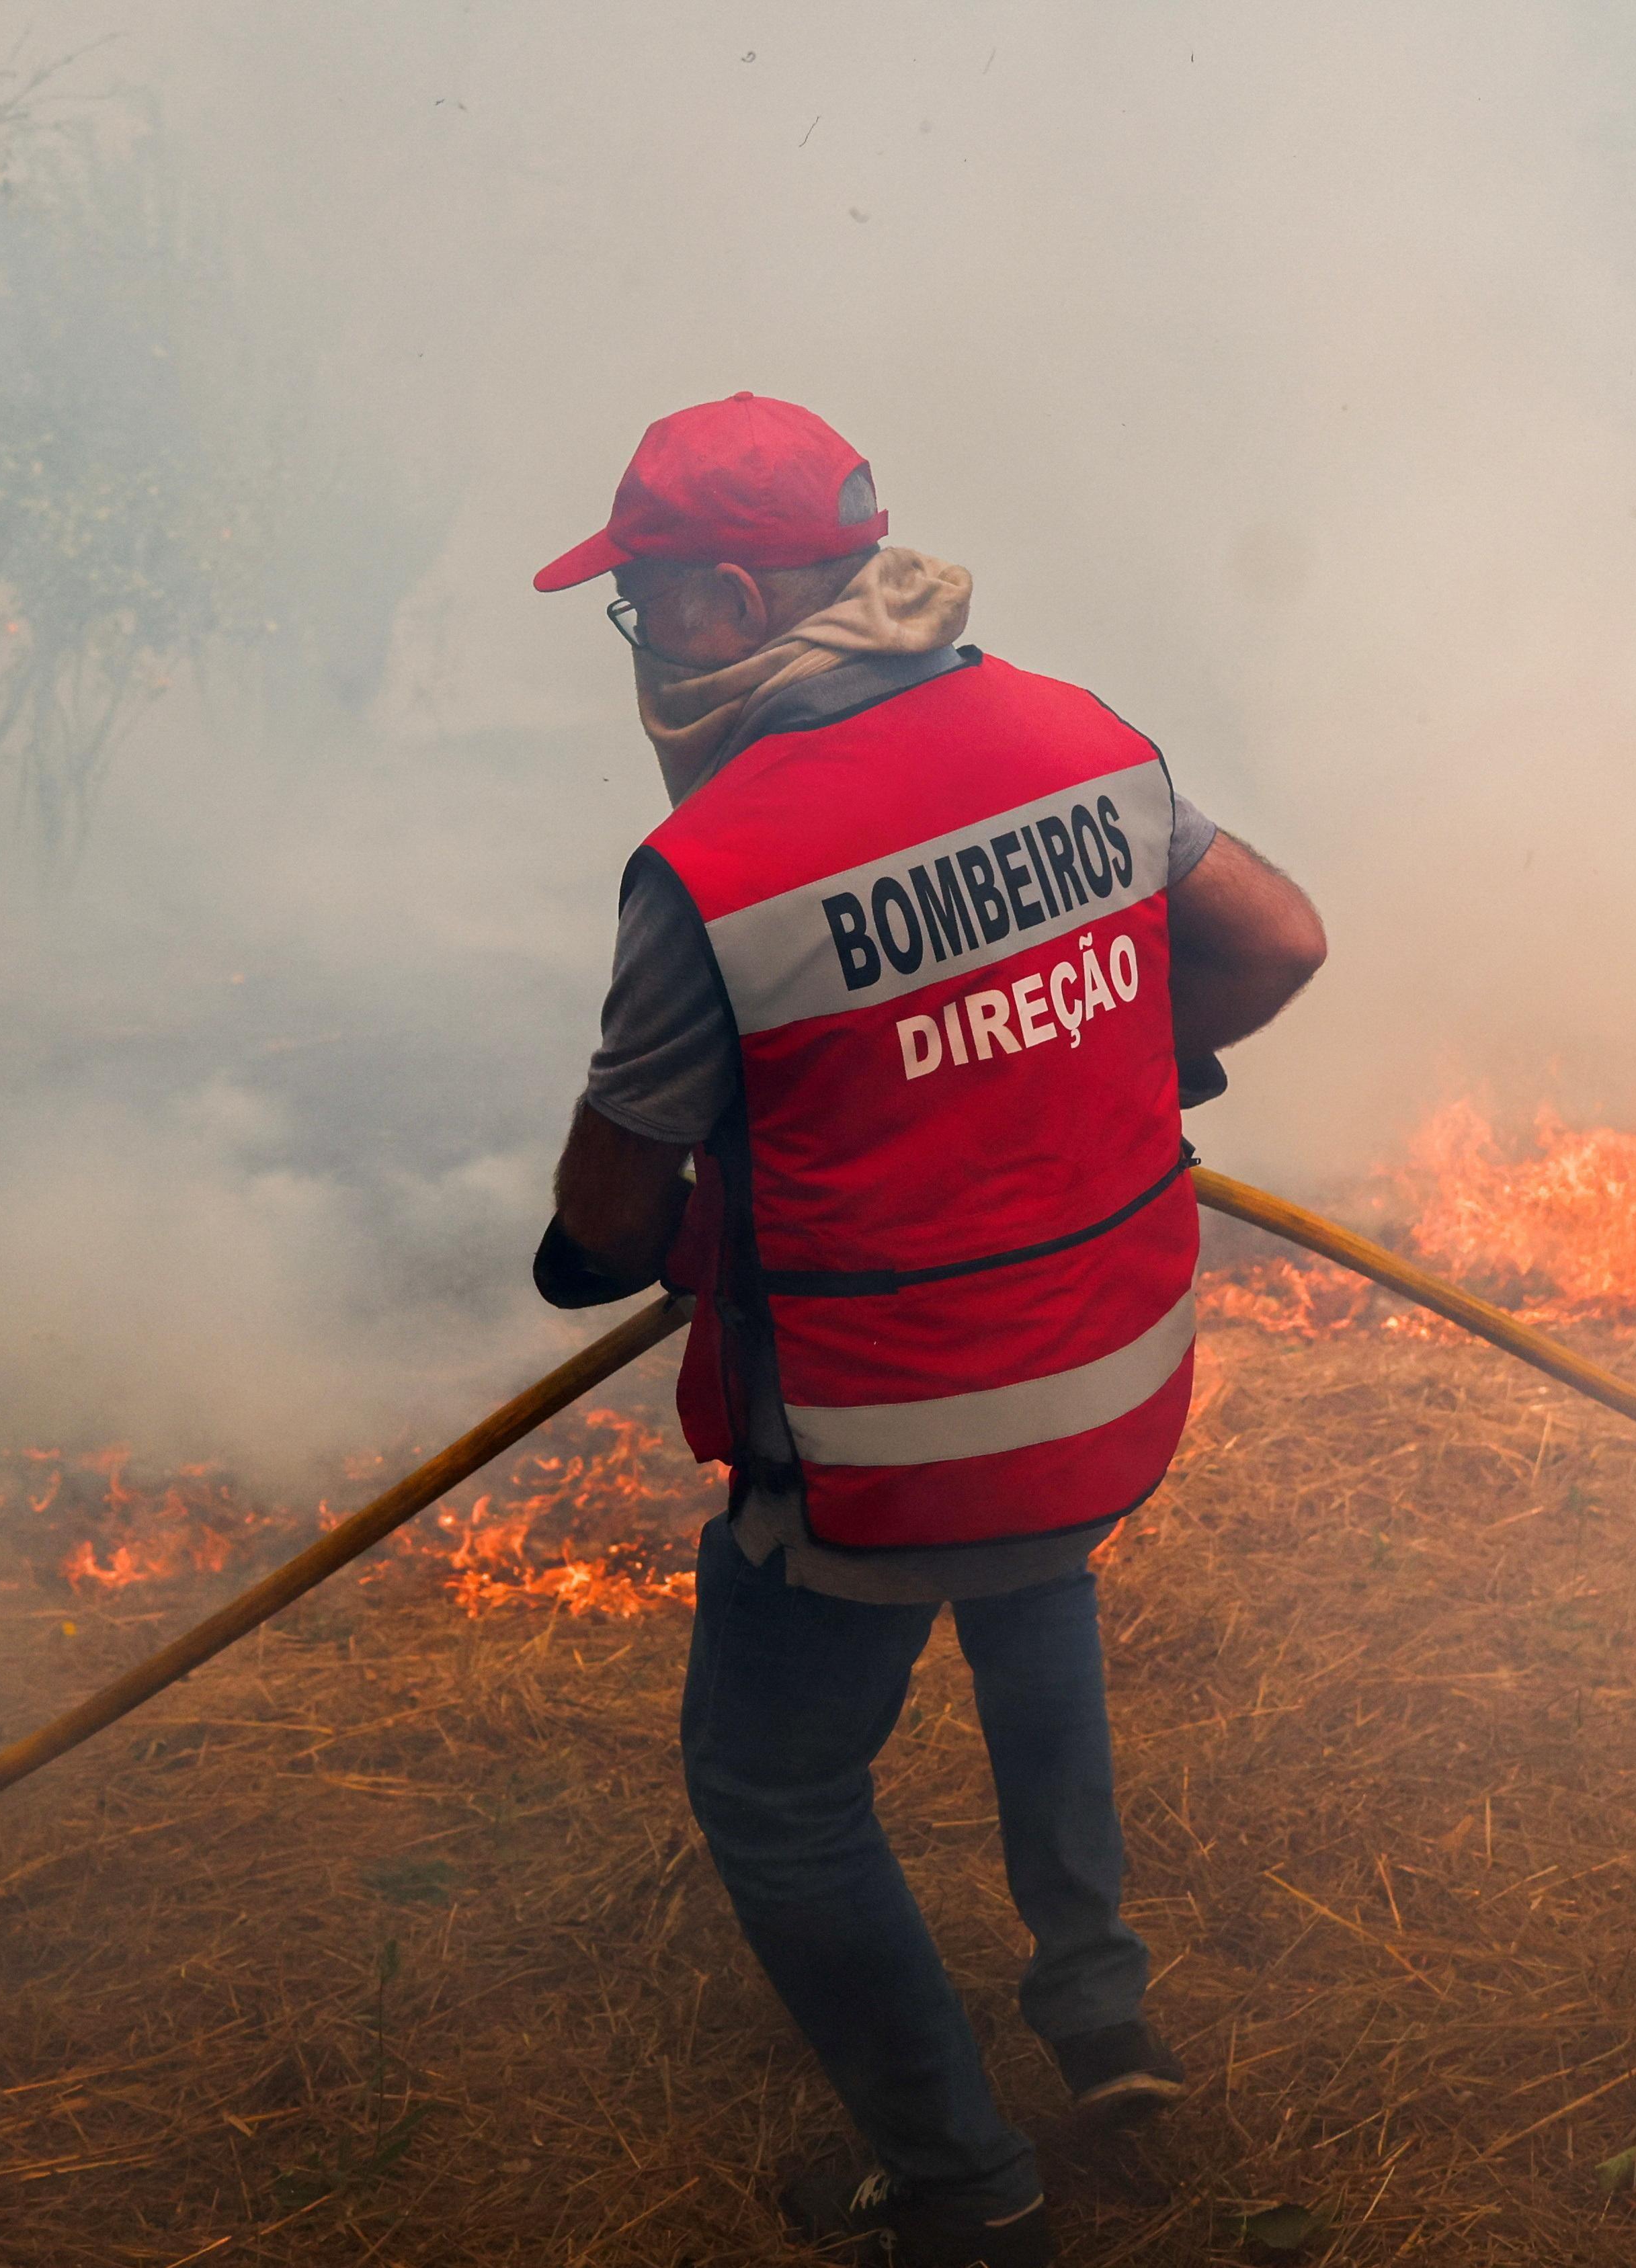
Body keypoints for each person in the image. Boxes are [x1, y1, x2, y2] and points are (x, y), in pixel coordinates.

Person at [527, 394, 1327, 2268]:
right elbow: (1274, 943)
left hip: (890, 1443)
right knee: (1032, 1588)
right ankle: (1099, 2007)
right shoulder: (1076, 738)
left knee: (773, 1787)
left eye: (644, 604)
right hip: (1104, 1384)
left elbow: (606, 1214)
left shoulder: (712, 873)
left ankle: (960, 2184)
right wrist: (1127, 1061)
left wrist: (603, 1258)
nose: (641, 644)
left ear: (729, 597)